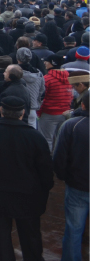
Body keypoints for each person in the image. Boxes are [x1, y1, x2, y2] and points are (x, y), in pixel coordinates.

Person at [0, 95, 54, 261]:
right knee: (30, 237)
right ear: (23, 113)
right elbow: (45, 171)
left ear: (1, 111)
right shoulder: (35, 137)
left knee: (1, 238)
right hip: (28, 196)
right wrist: (44, 190)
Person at [52, 92, 89, 261]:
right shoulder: (72, 125)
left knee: (74, 229)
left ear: (82, 105)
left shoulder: (72, 125)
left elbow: (59, 157)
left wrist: (64, 176)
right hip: (77, 185)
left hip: (77, 185)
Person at [39, 53, 73, 151]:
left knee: (46, 139)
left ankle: (47, 161)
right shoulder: (69, 78)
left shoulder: (47, 79)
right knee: (60, 140)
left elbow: (42, 96)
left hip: (49, 113)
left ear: (52, 63)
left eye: (47, 61)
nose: (45, 63)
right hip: (65, 113)